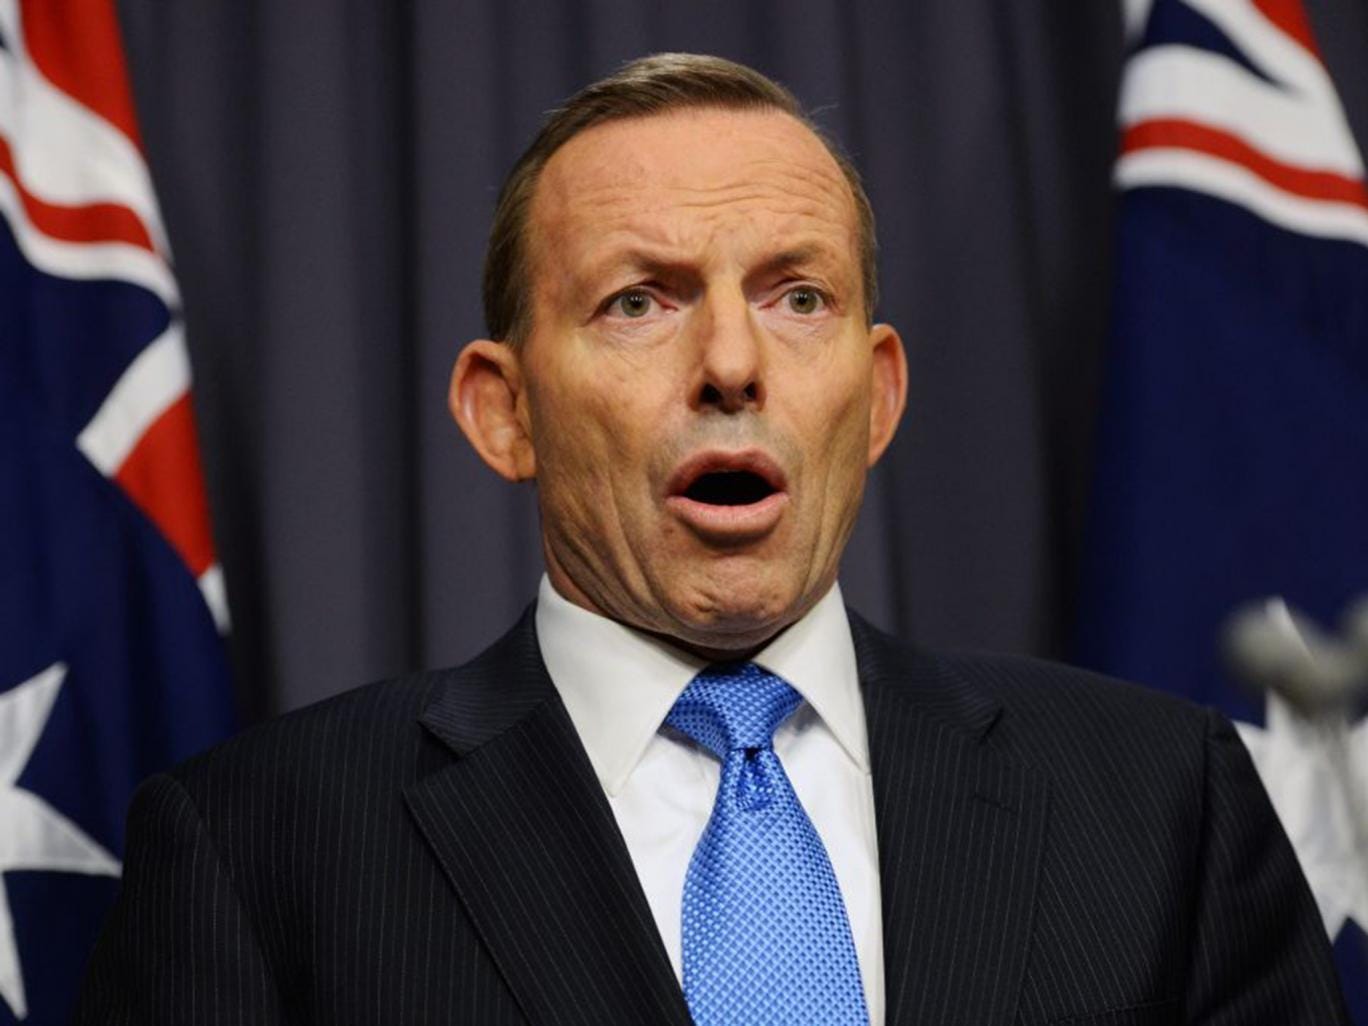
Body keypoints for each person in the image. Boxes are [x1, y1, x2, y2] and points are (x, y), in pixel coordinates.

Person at [76, 53, 1348, 1025]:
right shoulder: (256, 851)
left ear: (880, 395)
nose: (734, 363)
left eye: (799, 298)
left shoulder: (1162, 801)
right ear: (502, 411)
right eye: (640, 301)